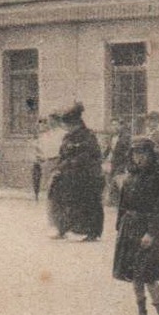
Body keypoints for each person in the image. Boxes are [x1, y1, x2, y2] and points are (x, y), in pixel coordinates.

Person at [113, 137, 159, 315]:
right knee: (134, 275)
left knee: (148, 275)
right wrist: (119, 228)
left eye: (143, 153)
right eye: (135, 154)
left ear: (151, 155)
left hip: (148, 230)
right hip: (129, 229)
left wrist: (151, 233)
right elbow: (122, 206)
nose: (139, 158)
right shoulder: (129, 177)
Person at [47, 102, 105, 241]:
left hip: (86, 175)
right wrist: (58, 168)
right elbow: (62, 155)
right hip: (69, 174)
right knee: (60, 197)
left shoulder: (88, 136)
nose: (67, 127)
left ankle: (90, 231)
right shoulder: (67, 137)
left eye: (69, 124)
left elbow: (88, 156)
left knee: (87, 202)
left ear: (76, 123)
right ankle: (62, 228)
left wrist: (67, 165)